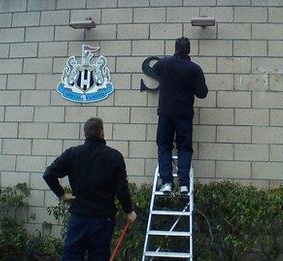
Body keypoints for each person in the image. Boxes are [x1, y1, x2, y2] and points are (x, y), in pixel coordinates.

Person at [43, 117, 136, 260]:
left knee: (71, 257)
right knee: (99, 256)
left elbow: (49, 174)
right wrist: (129, 211)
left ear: (85, 133)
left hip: (79, 217)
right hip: (103, 220)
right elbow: (121, 188)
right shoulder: (114, 156)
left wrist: (62, 195)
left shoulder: (72, 154)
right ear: (102, 133)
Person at [153, 37, 208, 195]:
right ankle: (184, 184)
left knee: (164, 146)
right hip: (184, 115)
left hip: (165, 113)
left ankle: (167, 183)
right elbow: (202, 93)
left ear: (175, 48)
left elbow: (154, 69)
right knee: (184, 147)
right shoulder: (194, 69)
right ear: (189, 50)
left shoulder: (164, 64)